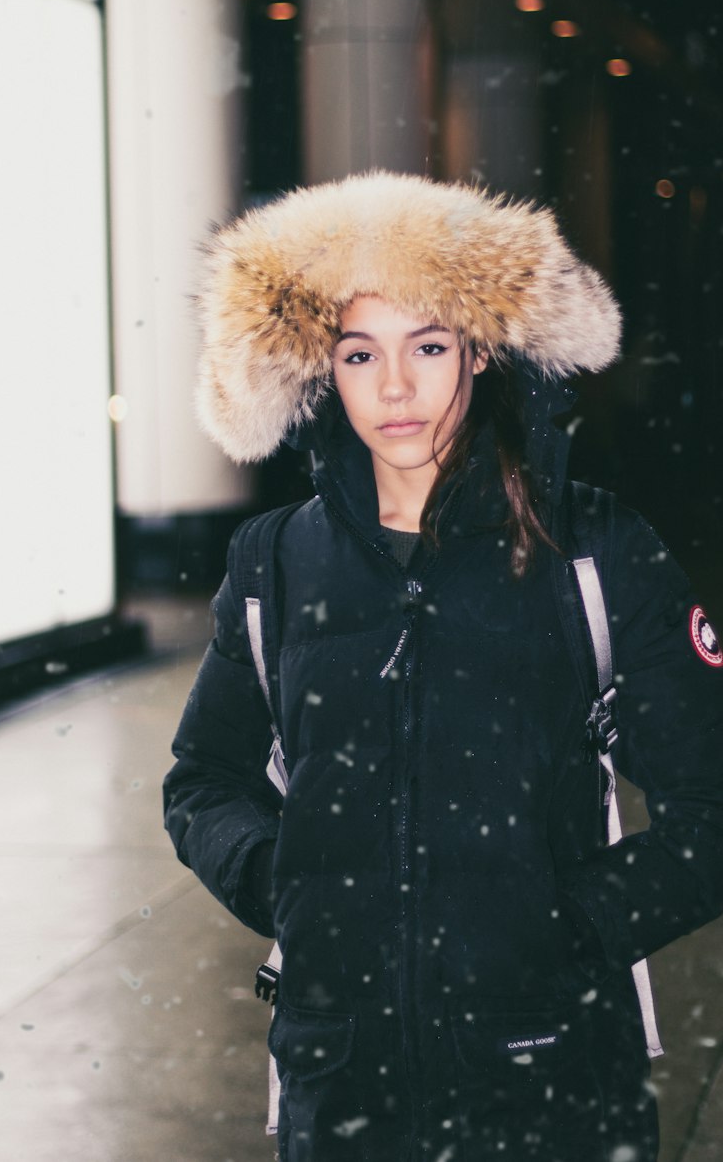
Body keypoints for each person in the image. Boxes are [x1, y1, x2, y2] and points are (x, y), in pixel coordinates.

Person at [162, 171, 723, 1162]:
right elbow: (204, 782)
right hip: (338, 1089)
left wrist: (562, 929)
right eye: (357, 352)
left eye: (426, 346)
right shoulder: (275, 562)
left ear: (478, 349)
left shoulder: (593, 551)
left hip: (548, 1083)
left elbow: (711, 810)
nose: (393, 388)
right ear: (318, 371)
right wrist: (278, 879)